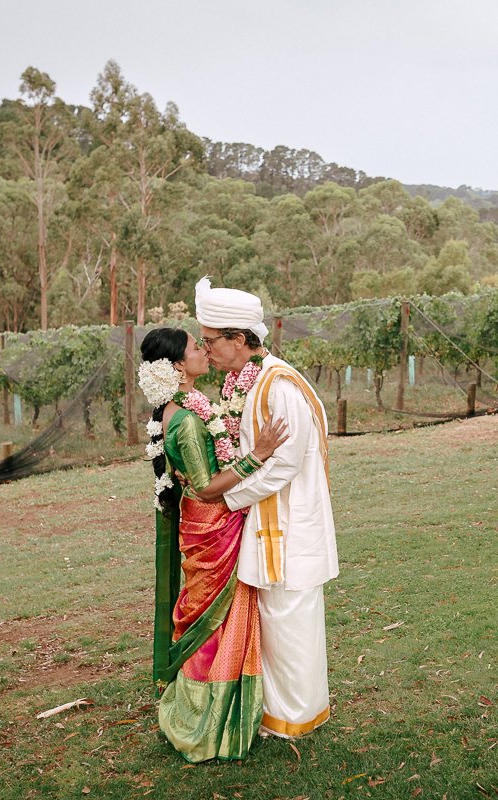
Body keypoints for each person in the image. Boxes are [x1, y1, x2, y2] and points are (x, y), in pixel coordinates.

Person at [194, 277, 338, 739]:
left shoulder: (278, 386)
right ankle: (279, 713)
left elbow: (287, 464)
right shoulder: (247, 380)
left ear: (240, 340)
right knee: (278, 623)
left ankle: (295, 719)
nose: (206, 349)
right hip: (270, 523)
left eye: (211, 341)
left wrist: (227, 498)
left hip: (290, 525)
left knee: (291, 623)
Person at [137, 327, 289, 763]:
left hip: (208, 523)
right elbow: (205, 488)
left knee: (215, 618)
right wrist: (257, 455)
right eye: (194, 347)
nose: (204, 351)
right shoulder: (184, 418)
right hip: (211, 525)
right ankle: (207, 721)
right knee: (215, 622)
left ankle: (220, 708)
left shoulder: (183, 406)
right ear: (179, 366)